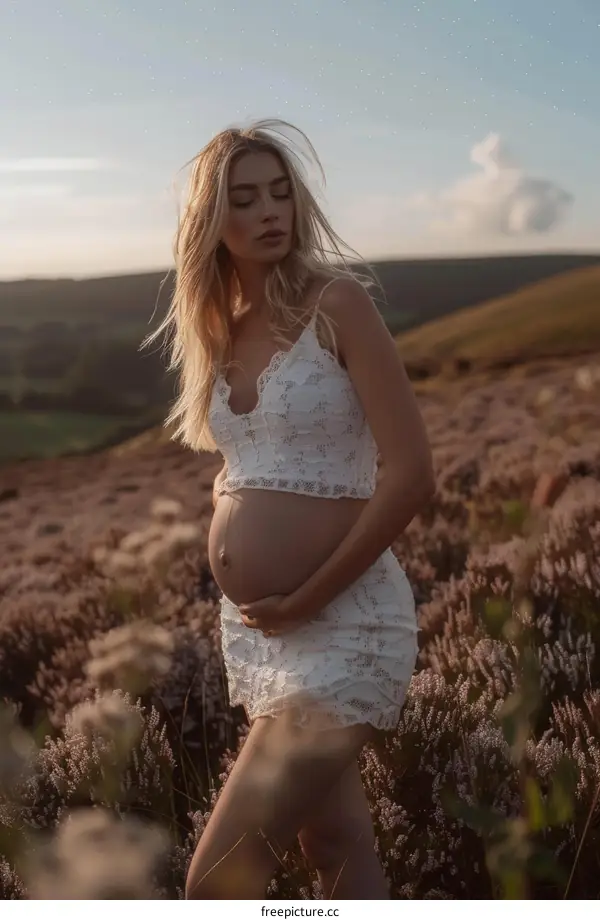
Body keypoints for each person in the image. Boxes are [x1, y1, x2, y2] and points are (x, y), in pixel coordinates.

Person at [145, 119, 435, 899]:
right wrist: (236, 512)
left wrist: (308, 591)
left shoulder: (337, 303)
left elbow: (411, 475)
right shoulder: (221, 329)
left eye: (281, 192)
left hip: (346, 623)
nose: (270, 210)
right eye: (245, 198)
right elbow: (256, 458)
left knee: (217, 879)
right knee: (334, 842)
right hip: (267, 641)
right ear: (212, 221)